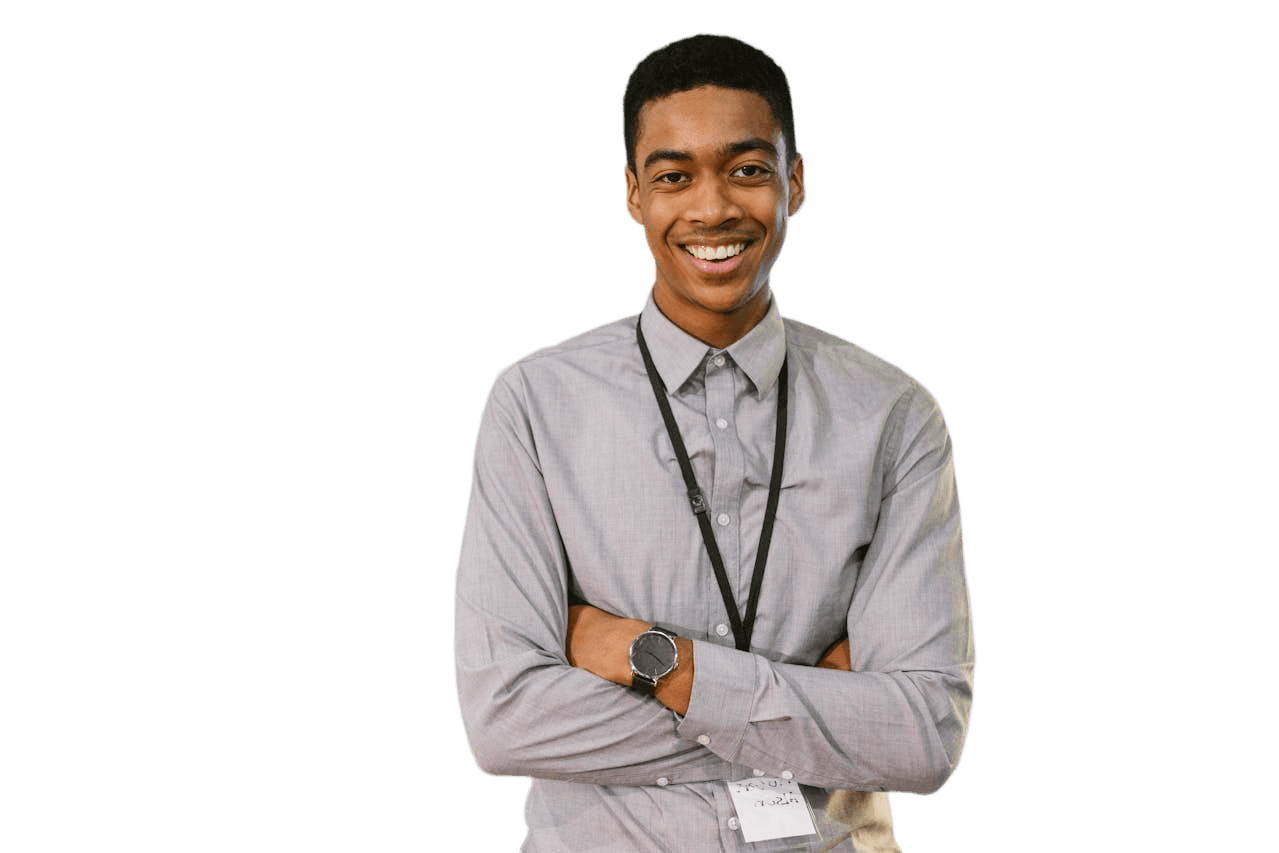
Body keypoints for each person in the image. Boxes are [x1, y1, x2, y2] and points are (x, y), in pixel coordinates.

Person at [454, 32, 975, 852]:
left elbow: (921, 735)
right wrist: (810, 702)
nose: (711, 209)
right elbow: (505, 721)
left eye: (747, 169)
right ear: (632, 194)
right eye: (673, 176)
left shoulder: (894, 414)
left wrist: (647, 658)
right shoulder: (532, 402)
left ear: (794, 180)